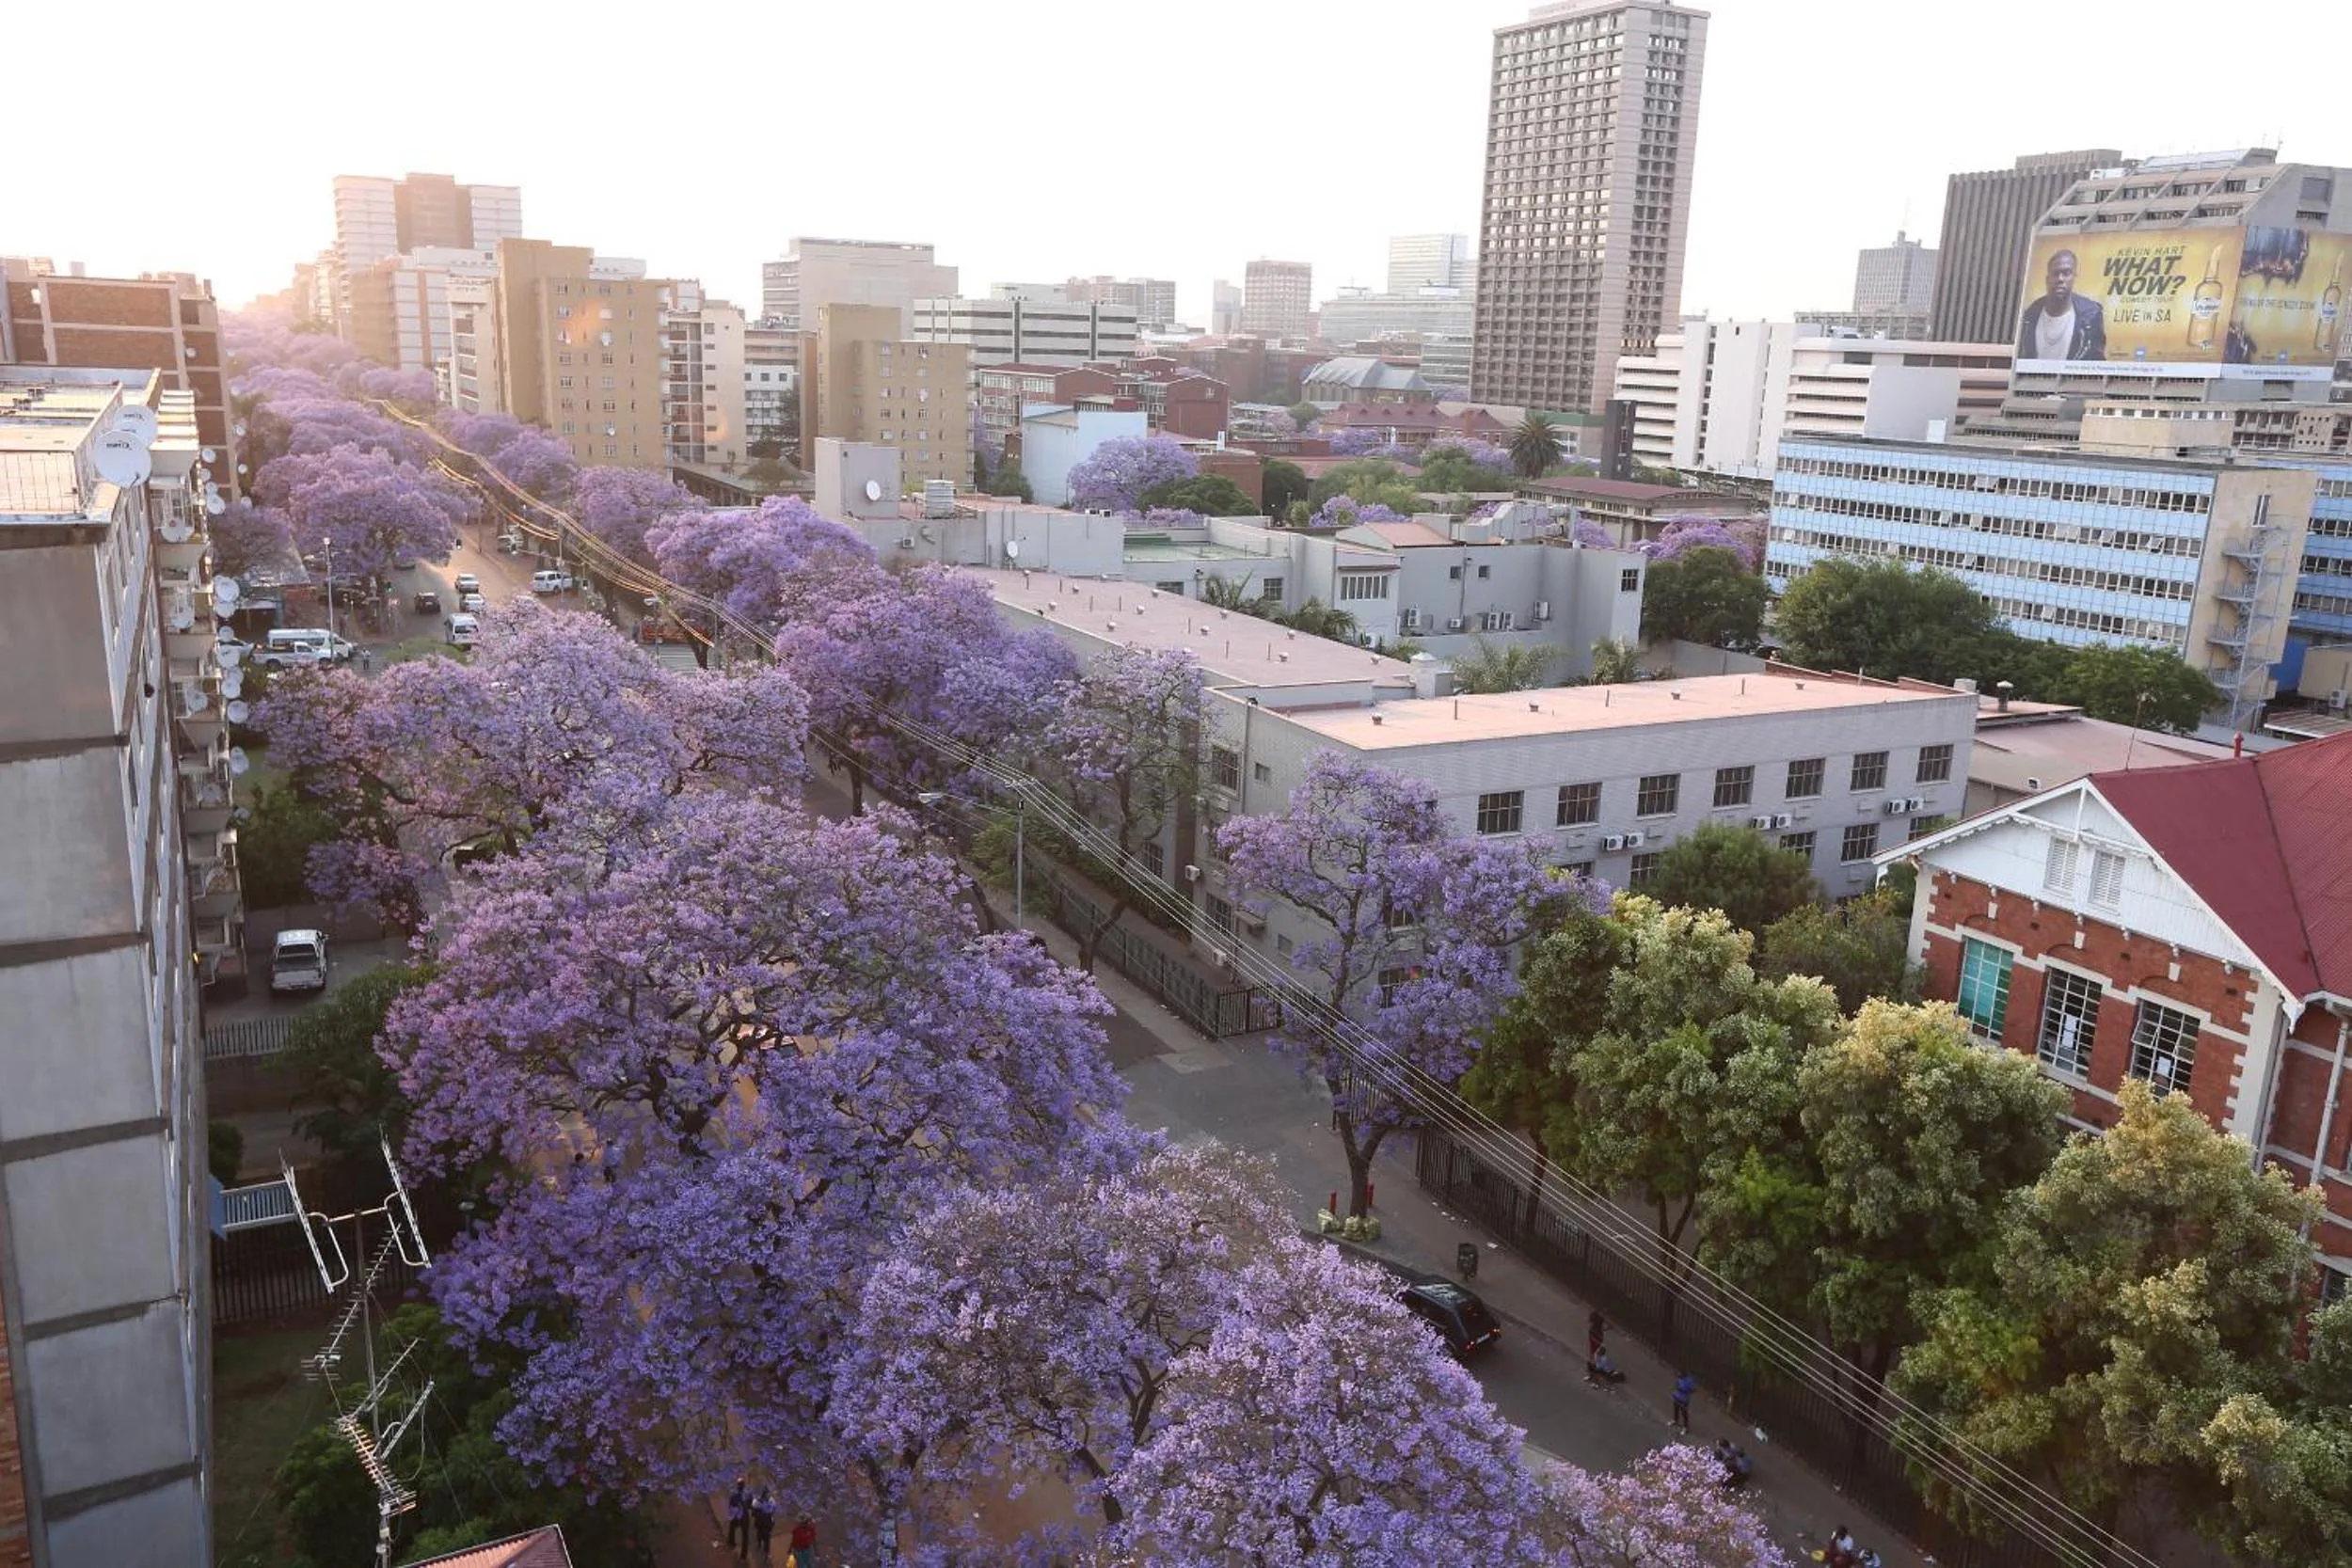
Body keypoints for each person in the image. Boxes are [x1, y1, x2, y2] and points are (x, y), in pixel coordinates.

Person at [2016, 248, 2106, 363]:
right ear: (2047, 280)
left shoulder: (2091, 317)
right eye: (2055, 273)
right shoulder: (2028, 317)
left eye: (2066, 273)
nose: (2060, 279)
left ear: (2074, 278)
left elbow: (2096, 361)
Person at [723, 1478, 751, 1556]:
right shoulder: (748, 1494)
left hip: (736, 1516)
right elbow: (750, 1505)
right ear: (744, 1485)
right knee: (745, 1536)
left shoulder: (734, 1495)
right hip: (745, 1517)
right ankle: (743, 1554)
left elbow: (731, 1506)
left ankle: (731, 1543)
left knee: (732, 1528)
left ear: (738, 1486)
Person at [751, 1488, 776, 1560]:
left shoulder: (771, 1501)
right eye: (767, 1494)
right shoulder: (757, 1502)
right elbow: (754, 1511)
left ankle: (767, 1553)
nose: (768, 1496)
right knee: (760, 1533)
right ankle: (759, 1543)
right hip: (761, 1521)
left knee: (767, 1537)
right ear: (764, 1495)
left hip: (767, 1521)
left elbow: (773, 1510)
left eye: (769, 1494)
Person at [1671, 1370, 1696, 1434]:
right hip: (1677, 1396)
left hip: (1684, 1399)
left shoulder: (1689, 1381)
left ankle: (1686, 1427)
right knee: (1676, 1410)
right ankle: (1675, 1420)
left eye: (1680, 1375)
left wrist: (1685, 1391)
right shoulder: (1680, 1379)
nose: (1678, 1376)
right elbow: (1676, 1385)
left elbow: (1693, 1389)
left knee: (1684, 1414)